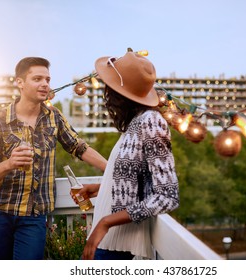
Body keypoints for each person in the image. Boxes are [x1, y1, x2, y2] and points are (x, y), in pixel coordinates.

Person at [0, 57, 107, 260]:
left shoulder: (54, 117)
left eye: (47, 79)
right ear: (20, 82)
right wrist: (9, 164)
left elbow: (79, 147)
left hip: (35, 215)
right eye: (37, 79)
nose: (45, 84)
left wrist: (112, 168)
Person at [73, 50, 179, 260]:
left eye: (109, 86)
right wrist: (100, 189)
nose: (106, 92)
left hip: (118, 244)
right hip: (108, 242)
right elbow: (137, 180)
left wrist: (106, 222)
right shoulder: (135, 123)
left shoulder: (151, 121)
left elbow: (167, 196)